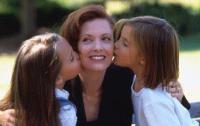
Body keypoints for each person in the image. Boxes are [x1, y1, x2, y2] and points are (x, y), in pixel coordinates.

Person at [0, 5, 190, 126]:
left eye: (106, 39)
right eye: (87, 40)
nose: (98, 47)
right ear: (73, 47)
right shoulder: (55, 83)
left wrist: (177, 93)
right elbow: (11, 103)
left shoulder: (127, 77)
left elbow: (173, 110)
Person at [114, 16, 198, 126]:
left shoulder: (153, 101)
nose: (115, 44)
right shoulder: (137, 79)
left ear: (144, 58)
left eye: (125, 44)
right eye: (119, 38)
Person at [0, 33, 80, 126]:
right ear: (57, 79)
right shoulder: (65, 111)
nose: (77, 54)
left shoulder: (10, 107)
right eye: (71, 58)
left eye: (73, 50)